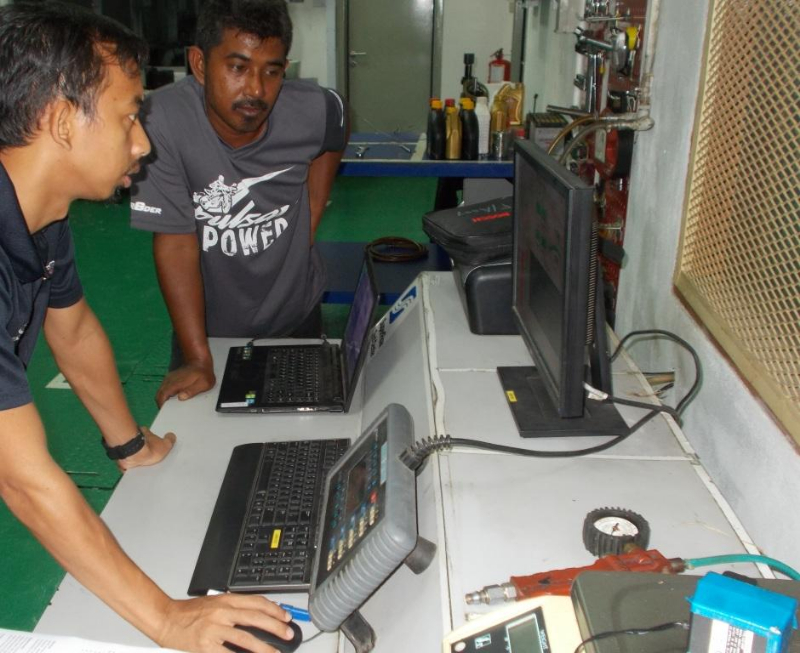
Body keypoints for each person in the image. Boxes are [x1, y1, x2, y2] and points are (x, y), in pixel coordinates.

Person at [0, 3, 295, 651]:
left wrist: (128, 443)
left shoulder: (40, 217)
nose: (143, 143)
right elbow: (20, 475)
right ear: (61, 122)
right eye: (129, 116)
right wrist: (167, 618)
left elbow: (73, 330)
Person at [130, 0, 348, 407]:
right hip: (205, 330)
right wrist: (198, 357)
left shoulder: (311, 108)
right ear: (199, 64)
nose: (256, 90)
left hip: (296, 315)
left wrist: (313, 208)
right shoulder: (161, 121)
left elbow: (336, 123)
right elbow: (175, 243)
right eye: (237, 67)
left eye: (272, 71)